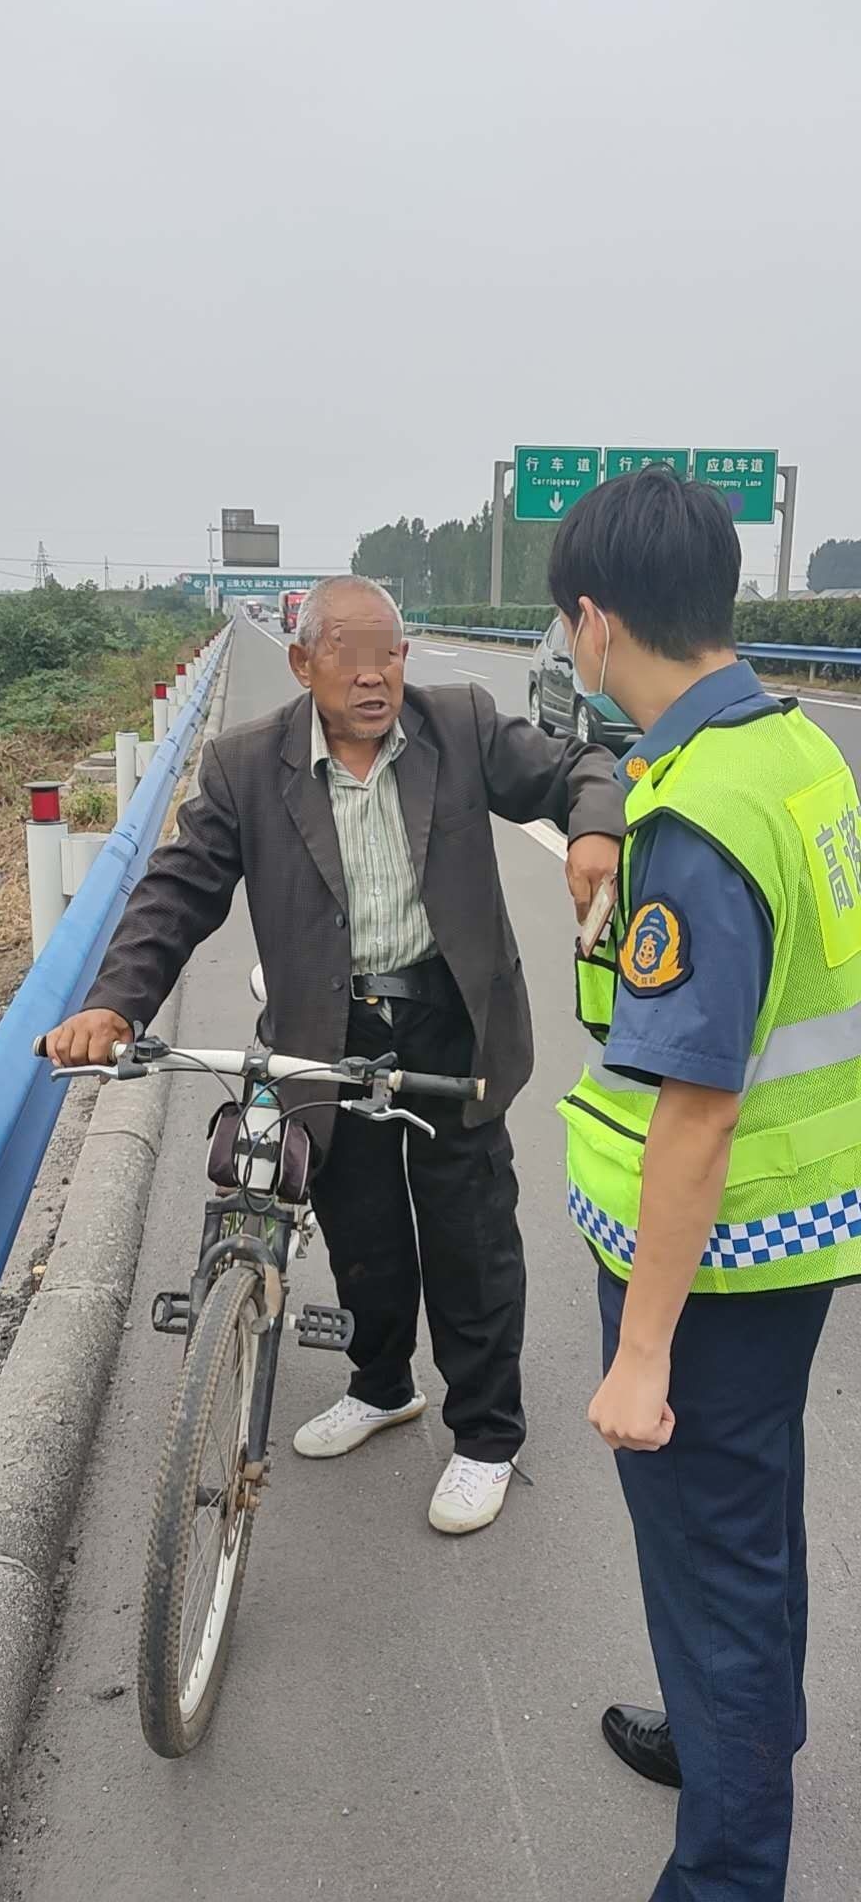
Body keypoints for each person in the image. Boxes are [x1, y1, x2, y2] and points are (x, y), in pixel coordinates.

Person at [46, 576, 623, 1535]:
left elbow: (578, 767)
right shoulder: (245, 767)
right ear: (303, 662)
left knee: (467, 1231)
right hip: (327, 1027)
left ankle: (486, 1435)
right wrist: (113, 1003)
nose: (374, 676)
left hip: (451, 1018)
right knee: (360, 1225)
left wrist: (594, 828)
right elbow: (177, 893)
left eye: (389, 654)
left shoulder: (461, 724)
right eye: (349, 657)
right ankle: (382, 1383)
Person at [549, 469, 861, 1900]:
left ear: (595, 621)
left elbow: (696, 1111)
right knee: (757, 1527)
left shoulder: (701, 819)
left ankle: (727, 1868)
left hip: (715, 1263)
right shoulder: (793, 751)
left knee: (714, 1568)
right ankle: (741, 1733)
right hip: (794, 1240)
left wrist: (640, 1349)